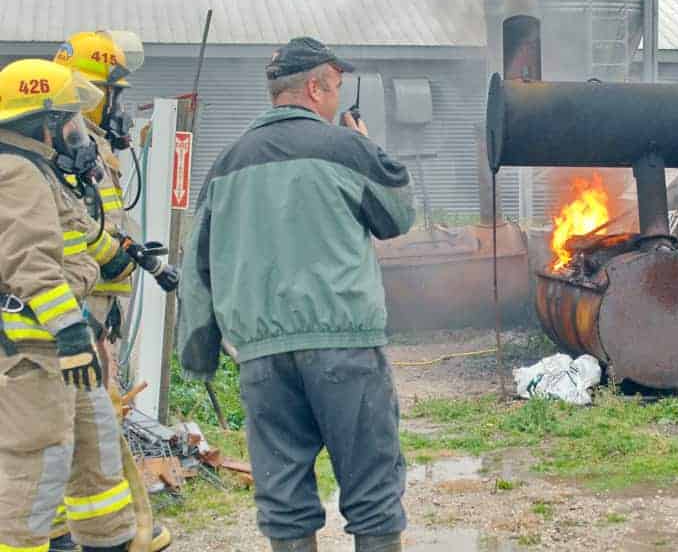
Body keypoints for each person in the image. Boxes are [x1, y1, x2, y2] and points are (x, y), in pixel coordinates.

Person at [177, 37, 416, 552]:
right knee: (372, 491)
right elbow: (398, 216)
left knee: (283, 500)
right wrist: (367, 145)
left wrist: (198, 354)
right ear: (315, 87)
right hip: (344, 347)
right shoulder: (345, 149)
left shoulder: (227, 163)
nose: (335, 99)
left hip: (261, 356)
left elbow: (195, 264)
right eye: (335, 88)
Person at [0, 59, 138, 552]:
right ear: (44, 121)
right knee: (35, 473)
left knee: (96, 452)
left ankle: (110, 541)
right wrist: (70, 330)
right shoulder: (15, 172)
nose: (78, 133)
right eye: (70, 120)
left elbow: (78, 241)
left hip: (62, 352)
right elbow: (31, 263)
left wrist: (123, 260)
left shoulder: (41, 171)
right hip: (35, 354)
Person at [53, 31, 175, 552]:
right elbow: (75, 229)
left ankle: (99, 531)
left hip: (101, 300)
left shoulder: (92, 147)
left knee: (90, 421)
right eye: (113, 95)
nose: (118, 108)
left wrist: (126, 250)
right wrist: (117, 254)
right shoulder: (68, 152)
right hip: (84, 304)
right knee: (82, 424)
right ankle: (97, 534)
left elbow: (100, 219)